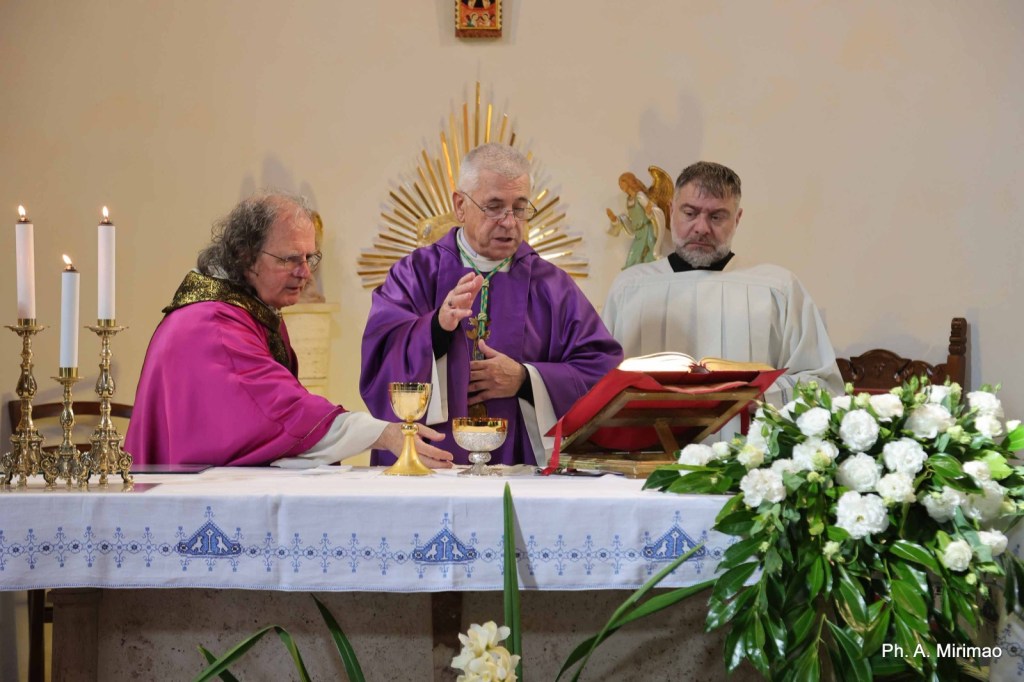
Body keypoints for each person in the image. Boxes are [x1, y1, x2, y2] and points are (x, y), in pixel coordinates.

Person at [125, 192, 453, 469]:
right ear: (245, 256)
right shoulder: (210, 327)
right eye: (290, 259)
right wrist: (380, 433)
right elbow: (280, 413)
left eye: (311, 257)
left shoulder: (248, 310)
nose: (306, 273)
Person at [360, 143, 623, 467]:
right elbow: (380, 355)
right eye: (494, 207)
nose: (509, 222)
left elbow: (602, 371)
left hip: (519, 465)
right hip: (431, 467)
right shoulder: (415, 273)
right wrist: (436, 329)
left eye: (520, 208)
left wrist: (528, 379)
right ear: (460, 205)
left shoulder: (552, 287)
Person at [602, 161, 843, 409]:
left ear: (737, 219)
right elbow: (599, 383)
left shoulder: (778, 288)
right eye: (690, 213)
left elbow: (823, 386)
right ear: (671, 211)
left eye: (717, 216)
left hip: (748, 445)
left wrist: (747, 395)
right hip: (650, 444)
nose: (702, 228)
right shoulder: (629, 288)